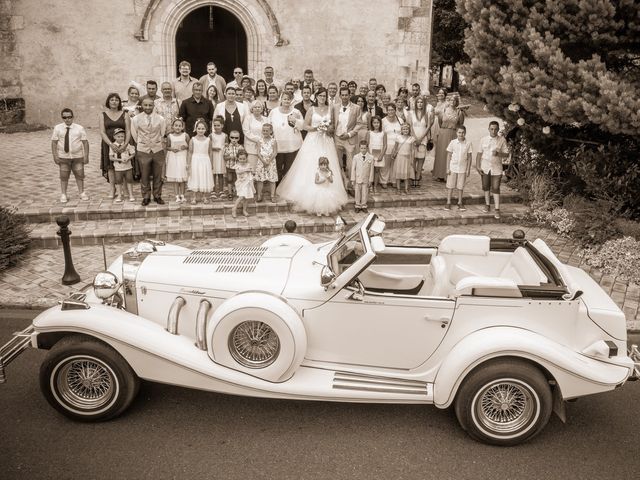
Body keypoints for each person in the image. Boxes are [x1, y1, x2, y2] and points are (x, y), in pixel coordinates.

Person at [277, 88, 348, 215]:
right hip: (313, 140)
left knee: (328, 164)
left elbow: (333, 126)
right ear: (316, 97)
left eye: (324, 96)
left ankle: (329, 195)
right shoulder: (311, 109)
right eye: (320, 95)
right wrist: (317, 128)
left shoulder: (330, 108)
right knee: (309, 165)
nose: (322, 98)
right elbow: (305, 126)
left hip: (326, 140)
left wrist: (327, 128)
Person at [131, 97, 166, 205]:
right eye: (145, 105)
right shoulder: (136, 119)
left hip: (157, 149)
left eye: (150, 105)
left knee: (157, 174)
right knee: (144, 174)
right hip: (143, 149)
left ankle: (157, 195)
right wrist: (143, 143)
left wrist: (156, 143)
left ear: (153, 106)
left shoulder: (160, 119)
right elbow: (135, 134)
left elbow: (162, 133)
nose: (148, 107)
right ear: (142, 106)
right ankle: (146, 196)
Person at [51, 108, 89, 203]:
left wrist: (86, 156)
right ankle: (63, 194)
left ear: (73, 117)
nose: (67, 119)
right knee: (64, 176)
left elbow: (85, 142)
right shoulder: (58, 128)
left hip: (77, 156)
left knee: (80, 175)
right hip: (63, 157)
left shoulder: (79, 128)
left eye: (69, 117)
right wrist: (55, 156)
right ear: (62, 118)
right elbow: (54, 143)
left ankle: (81, 192)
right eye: (65, 117)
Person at [476, 120, 509, 219]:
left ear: (498, 130)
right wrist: (478, 166)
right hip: (485, 167)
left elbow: (507, 154)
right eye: (491, 129)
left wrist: (499, 154)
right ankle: (487, 205)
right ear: (488, 129)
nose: (493, 131)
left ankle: (497, 209)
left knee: (495, 187)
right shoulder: (483, 140)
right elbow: (479, 154)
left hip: (497, 168)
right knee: (486, 186)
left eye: (495, 129)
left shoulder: (502, 140)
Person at [332, 87, 364, 190]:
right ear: (340, 96)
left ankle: (351, 186)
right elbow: (332, 122)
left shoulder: (356, 108)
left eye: (346, 95)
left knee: (351, 164)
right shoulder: (335, 107)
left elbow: (359, 124)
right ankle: (342, 183)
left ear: (349, 95)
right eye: (343, 95)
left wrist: (350, 134)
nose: (345, 97)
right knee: (338, 162)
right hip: (337, 138)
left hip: (349, 139)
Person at [99, 93, 130, 199]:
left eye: (116, 100)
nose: (114, 101)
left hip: (123, 144)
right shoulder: (103, 114)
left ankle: (125, 188)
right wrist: (111, 144)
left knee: (124, 164)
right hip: (108, 143)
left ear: (119, 102)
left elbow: (128, 130)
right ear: (108, 101)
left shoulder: (124, 114)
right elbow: (102, 132)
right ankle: (112, 189)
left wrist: (125, 144)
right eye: (112, 99)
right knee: (111, 167)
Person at [269, 92, 304, 180]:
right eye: (284, 99)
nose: (286, 101)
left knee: (289, 168)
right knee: (278, 168)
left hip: (292, 145)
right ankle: (277, 187)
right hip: (278, 145)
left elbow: (302, 126)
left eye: (288, 99)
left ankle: (286, 187)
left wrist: (296, 120)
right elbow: (268, 125)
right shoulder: (274, 111)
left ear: (291, 100)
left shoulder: (296, 112)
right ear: (281, 99)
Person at [434, 91, 465, 181]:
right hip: (443, 133)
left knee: (451, 155)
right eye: (451, 100)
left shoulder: (459, 112)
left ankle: (449, 175)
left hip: (453, 134)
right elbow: (440, 122)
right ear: (448, 100)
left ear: (457, 102)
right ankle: (440, 175)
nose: (452, 102)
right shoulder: (443, 110)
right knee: (441, 154)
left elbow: (460, 124)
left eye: (454, 100)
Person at [407, 95, 434, 187]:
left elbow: (428, 126)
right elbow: (410, 126)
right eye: (418, 102)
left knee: (421, 159)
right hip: (413, 139)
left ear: (424, 104)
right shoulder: (410, 113)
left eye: (421, 102)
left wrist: (421, 138)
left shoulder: (427, 114)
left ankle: (418, 177)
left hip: (423, 139)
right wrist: (415, 138)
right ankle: (413, 176)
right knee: (413, 159)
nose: (419, 104)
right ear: (415, 103)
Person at [445, 126, 473, 210]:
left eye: (463, 132)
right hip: (453, 167)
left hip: (462, 168)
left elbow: (469, 157)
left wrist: (468, 169)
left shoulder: (468, 143)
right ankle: (448, 202)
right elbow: (449, 155)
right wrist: (447, 168)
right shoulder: (453, 142)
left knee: (460, 186)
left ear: (465, 133)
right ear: (456, 133)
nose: (461, 134)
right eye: (459, 132)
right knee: (450, 185)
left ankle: (460, 202)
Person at [186, 118, 213, 204]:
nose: (201, 130)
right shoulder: (192, 139)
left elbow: (210, 152)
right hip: (195, 160)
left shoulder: (208, 140)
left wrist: (211, 163)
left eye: (203, 128)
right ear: (196, 129)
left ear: (206, 129)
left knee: (204, 177)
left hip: (205, 160)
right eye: (199, 128)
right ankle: (193, 197)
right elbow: (190, 152)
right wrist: (188, 164)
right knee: (195, 177)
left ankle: (204, 196)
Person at [109, 128, 136, 203]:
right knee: (118, 181)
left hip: (128, 167)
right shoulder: (113, 146)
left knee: (129, 180)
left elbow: (133, 154)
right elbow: (111, 158)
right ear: (114, 137)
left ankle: (131, 195)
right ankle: (119, 195)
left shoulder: (127, 145)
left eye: (122, 136)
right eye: (118, 136)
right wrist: (120, 160)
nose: (121, 138)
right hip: (118, 168)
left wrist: (128, 158)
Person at [165, 118, 189, 203]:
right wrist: (172, 149)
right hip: (174, 158)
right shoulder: (169, 136)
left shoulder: (185, 135)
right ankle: (176, 196)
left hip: (182, 157)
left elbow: (189, 146)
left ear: (182, 127)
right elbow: (167, 147)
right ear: (172, 127)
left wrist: (185, 147)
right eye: (176, 125)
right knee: (175, 178)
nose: (178, 127)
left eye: (179, 126)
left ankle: (182, 195)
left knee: (182, 178)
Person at [381, 103, 403, 187]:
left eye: (392, 110)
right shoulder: (383, 121)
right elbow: (382, 134)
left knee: (395, 164)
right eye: (389, 110)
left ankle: (393, 180)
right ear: (386, 111)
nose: (391, 111)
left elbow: (402, 132)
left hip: (397, 146)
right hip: (387, 145)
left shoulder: (400, 120)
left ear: (395, 110)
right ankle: (384, 181)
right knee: (386, 164)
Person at [242, 99, 268, 171]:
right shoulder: (248, 118)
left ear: (262, 109)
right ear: (252, 109)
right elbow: (246, 132)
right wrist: (259, 140)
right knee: (252, 169)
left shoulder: (266, 119)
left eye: (259, 107)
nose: (257, 109)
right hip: (251, 148)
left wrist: (264, 141)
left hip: (264, 148)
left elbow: (269, 131)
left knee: (262, 170)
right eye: (255, 107)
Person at [255, 123, 278, 202]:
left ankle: (272, 195)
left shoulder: (273, 141)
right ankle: (259, 195)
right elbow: (258, 152)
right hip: (261, 161)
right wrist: (263, 161)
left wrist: (269, 161)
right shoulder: (259, 141)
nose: (265, 132)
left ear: (271, 131)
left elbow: (275, 152)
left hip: (271, 161)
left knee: (272, 179)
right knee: (260, 179)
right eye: (263, 130)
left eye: (267, 130)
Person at [392, 123, 415, 194]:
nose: (405, 130)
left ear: (409, 130)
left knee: (406, 174)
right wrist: (393, 154)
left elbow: (412, 150)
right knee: (398, 174)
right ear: (401, 130)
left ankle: (406, 188)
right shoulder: (398, 137)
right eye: (404, 129)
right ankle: (398, 188)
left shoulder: (411, 138)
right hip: (399, 157)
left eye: (407, 129)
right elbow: (395, 148)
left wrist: (412, 159)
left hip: (407, 158)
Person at [366, 115, 387, 193]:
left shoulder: (383, 133)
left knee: (377, 170)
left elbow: (385, 145)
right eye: (374, 122)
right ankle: (370, 185)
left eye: (378, 122)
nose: (376, 124)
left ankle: (375, 186)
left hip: (379, 154)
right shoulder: (369, 133)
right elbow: (367, 144)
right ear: (371, 124)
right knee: (370, 170)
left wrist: (381, 155)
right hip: (371, 153)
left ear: (380, 123)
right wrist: (369, 155)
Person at [351, 140, 374, 213]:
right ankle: (357, 205)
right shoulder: (356, 157)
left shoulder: (371, 157)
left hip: (366, 178)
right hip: (358, 178)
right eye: (361, 148)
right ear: (359, 148)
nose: (363, 150)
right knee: (357, 192)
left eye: (364, 148)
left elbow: (372, 170)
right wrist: (353, 179)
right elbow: (353, 169)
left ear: (367, 148)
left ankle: (364, 205)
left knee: (365, 192)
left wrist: (371, 180)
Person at [232, 148, 255, 218]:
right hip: (241, 183)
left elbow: (251, 172)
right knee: (241, 196)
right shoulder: (237, 166)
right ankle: (234, 209)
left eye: (244, 159)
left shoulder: (248, 165)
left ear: (246, 158)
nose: (242, 160)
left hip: (247, 183)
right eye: (240, 159)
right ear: (238, 159)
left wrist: (251, 172)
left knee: (246, 197)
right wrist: (246, 170)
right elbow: (238, 172)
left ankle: (244, 210)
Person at [210, 116, 227, 199]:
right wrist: (213, 148)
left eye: (218, 125)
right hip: (214, 155)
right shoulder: (211, 135)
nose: (216, 127)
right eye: (215, 125)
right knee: (213, 173)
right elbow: (208, 147)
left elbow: (227, 146)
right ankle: (213, 190)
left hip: (221, 156)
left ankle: (221, 190)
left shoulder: (225, 136)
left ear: (222, 126)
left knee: (220, 174)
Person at [223, 130, 243, 199]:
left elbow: (243, 157)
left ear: (239, 138)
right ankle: (230, 193)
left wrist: (238, 158)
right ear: (229, 138)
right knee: (229, 180)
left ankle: (237, 191)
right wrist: (230, 157)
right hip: (229, 167)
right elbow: (224, 157)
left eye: (236, 138)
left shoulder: (240, 147)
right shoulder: (227, 147)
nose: (234, 139)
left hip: (238, 167)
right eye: (232, 137)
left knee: (237, 180)